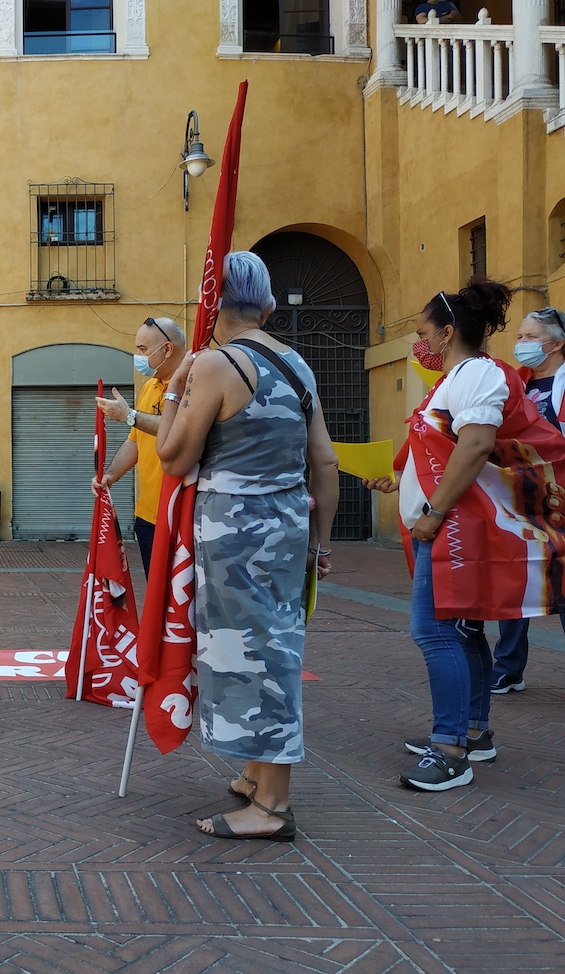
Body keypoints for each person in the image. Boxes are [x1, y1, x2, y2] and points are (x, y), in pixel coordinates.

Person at [156, 252, 340, 840]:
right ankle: (258, 775)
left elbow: (173, 455)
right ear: (265, 305)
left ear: (210, 306)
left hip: (234, 529)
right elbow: (325, 461)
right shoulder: (298, 364)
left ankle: (273, 807)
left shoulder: (213, 364)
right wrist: (321, 542)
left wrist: (173, 389)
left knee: (259, 656)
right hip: (286, 523)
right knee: (271, 645)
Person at [364, 278, 540, 792]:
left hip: (452, 528)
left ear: (446, 333)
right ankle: (473, 733)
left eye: (422, 333)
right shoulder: (459, 377)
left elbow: (477, 444)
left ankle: (449, 751)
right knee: (462, 632)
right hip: (447, 524)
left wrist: (434, 513)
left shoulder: (477, 374)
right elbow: (444, 449)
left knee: (436, 632)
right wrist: (400, 480)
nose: (418, 344)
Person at [492, 307, 565, 693]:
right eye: (519, 336)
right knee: (514, 581)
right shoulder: (514, 385)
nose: (521, 344)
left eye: (530, 337)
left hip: (561, 499)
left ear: (557, 343)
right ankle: (507, 668)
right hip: (520, 497)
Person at [93, 317, 186, 574]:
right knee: (156, 597)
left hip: (180, 516)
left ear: (167, 349)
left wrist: (128, 415)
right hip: (148, 517)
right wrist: (110, 475)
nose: (137, 356)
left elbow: (179, 429)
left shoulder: (193, 384)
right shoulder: (149, 387)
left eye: (142, 349)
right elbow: (136, 441)